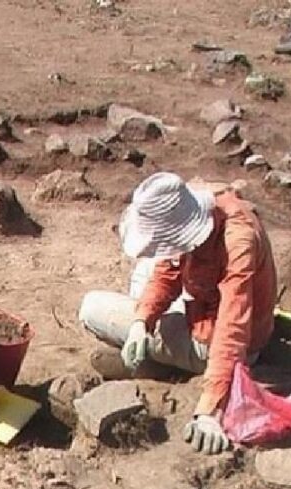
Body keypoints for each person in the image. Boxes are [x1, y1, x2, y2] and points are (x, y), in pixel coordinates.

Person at [79, 172, 279, 455]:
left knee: (92, 308)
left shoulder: (238, 243)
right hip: (204, 307)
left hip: (219, 346)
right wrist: (141, 321)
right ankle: (153, 352)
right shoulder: (207, 207)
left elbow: (231, 329)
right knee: (146, 275)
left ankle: (157, 363)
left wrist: (210, 410)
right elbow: (168, 270)